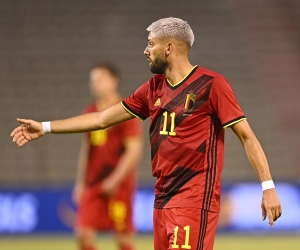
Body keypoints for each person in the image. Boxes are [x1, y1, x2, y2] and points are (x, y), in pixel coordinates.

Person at [11, 17, 282, 250]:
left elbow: (246, 135)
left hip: (194, 200)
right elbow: (103, 119)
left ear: (170, 47)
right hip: (162, 201)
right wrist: (45, 127)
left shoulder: (211, 85)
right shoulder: (153, 88)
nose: (145, 50)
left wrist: (268, 187)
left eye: (151, 43)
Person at [72, 64, 143, 250]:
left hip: (118, 184)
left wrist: (115, 179)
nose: (95, 83)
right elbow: (87, 149)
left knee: (123, 239)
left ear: (114, 81)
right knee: (83, 234)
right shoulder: (89, 112)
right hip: (94, 182)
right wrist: (80, 182)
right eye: (93, 79)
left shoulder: (125, 110)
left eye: (100, 79)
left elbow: (134, 150)